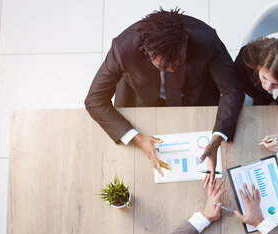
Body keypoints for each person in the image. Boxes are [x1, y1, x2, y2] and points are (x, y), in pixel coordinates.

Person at [85, 8, 244, 188]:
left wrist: (218, 136)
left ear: (186, 42)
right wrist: (136, 137)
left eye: (178, 63)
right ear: (147, 51)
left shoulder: (207, 39)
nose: (171, 70)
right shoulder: (123, 47)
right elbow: (94, 100)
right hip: (143, 98)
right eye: (163, 65)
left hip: (194, 94)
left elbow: (233, 90)